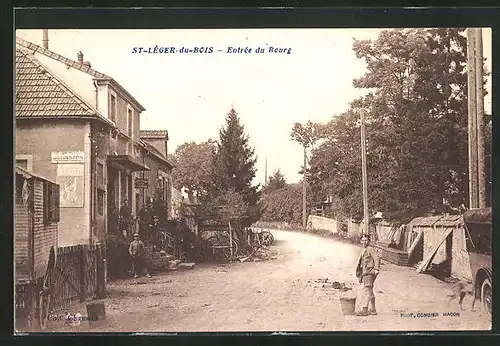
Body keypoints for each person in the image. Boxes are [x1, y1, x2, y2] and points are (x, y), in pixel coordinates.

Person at [355, 233, 381, 316]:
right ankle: (373, 310)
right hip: (365, 273)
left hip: (369, 272)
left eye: (366, 240)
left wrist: (376, 269)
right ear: (360, 241)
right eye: (363, 240)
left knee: (367, 291)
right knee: (370, 291)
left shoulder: (370, 249)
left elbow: (376, 258)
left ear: (369, 241)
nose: (364, 242)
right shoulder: (364, 250)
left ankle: (365, 310)